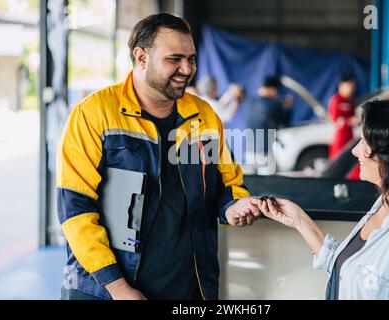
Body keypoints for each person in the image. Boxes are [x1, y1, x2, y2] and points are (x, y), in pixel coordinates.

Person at [56, 13, 261, 300]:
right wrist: (118, 288)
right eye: (174, 59)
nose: (187, 69)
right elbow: (75, 208)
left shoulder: (203, 116)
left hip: (188, 289)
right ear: (141, 57)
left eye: (191, 59)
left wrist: (233, 207)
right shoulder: (93, 115)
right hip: (105, 291)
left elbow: (224, 184)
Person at [258, 100, 389, 299]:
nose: (355, 151)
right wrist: (298, 220)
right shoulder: (385, 204)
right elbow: (350, 271)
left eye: (364, 142)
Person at [328, 73, 357, 159]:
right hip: (340, 139)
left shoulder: (351, 102)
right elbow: (335, 120)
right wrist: (350, 121)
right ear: (341, 85)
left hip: (350, 137)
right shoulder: (336, 100)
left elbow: (355, 117)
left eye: (353, 87)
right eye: (349, 86)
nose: (351, 89)